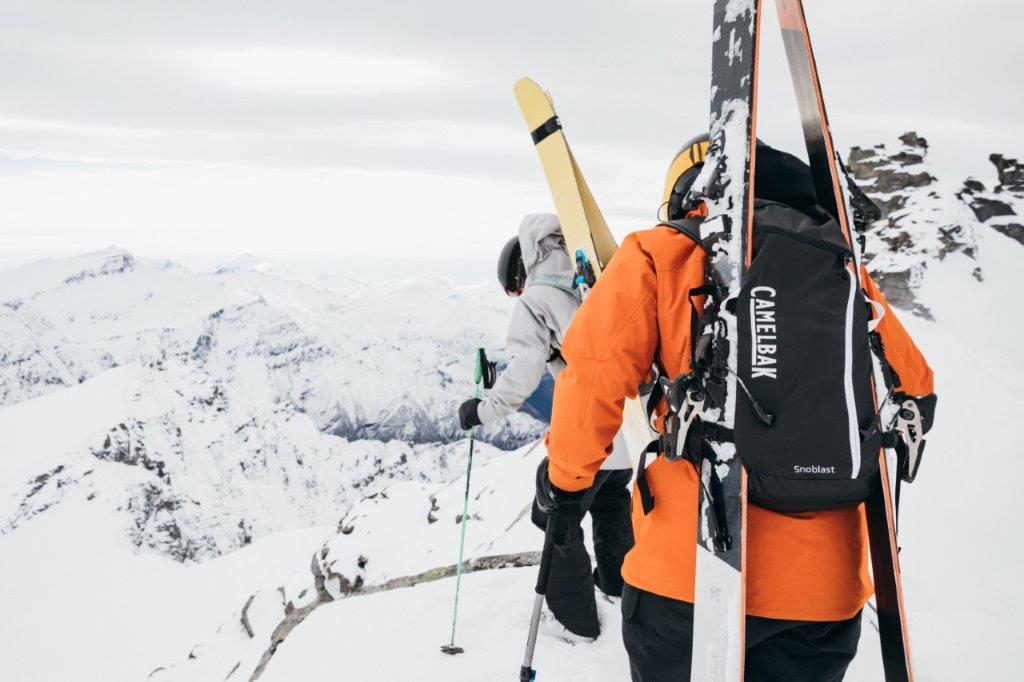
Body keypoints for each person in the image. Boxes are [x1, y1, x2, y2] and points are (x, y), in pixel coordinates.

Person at [535, 139, 938, 680]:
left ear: (683, 196)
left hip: (689, 578)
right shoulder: (841, 273)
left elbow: (593, 374)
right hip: (822, 599)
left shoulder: (664, 253)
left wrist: (564, 484)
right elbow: (916, 387)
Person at [457, 213, 634, 638]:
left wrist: (482, 410)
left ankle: (576, 622)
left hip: (591, 428)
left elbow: (525, 368)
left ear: (522, 268)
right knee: (611, 501)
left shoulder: (535, 299)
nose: (517, 295)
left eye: (514, 288)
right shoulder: (588, 281)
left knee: (556, 513)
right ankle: (619, 586)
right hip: (630, 429)